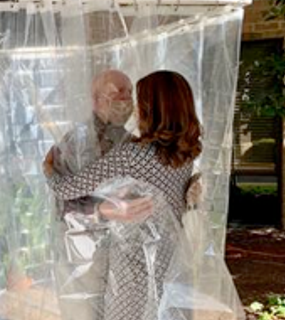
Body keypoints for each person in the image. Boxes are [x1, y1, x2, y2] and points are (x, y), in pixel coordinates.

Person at [46, 70, 202, 320]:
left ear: (150, 107)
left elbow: (65, 189)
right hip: (172, 258)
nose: (129, 100)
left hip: (133, 265)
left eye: (134, 95)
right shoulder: (186, 153)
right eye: (118, 91)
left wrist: (49, 167)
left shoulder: (132, 154)